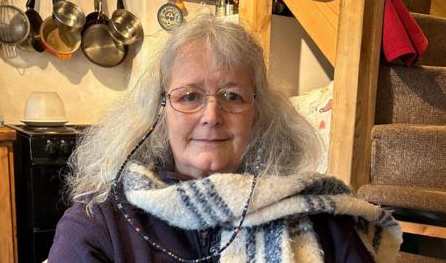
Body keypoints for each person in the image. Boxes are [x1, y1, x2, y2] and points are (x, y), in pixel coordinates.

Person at [48, 14, 402, 263]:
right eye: (189, 96)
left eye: (233, 96)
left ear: (258, 114)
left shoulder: (316, 214)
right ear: (159, 112)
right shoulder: (101, 221)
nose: (212, 116)